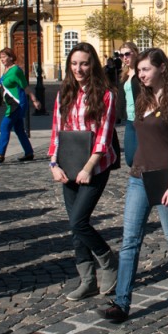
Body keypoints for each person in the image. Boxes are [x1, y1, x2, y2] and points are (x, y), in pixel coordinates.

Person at [97, 48, 168, 323]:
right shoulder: (141, 97)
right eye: (139, 70)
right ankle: (121, 303)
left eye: (146, 69)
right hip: (138, 177)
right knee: (130, 241)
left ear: (162, 68)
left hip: (165, 178)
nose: (141, 74)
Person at [48, 42, 117, 301]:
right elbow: (57, 131)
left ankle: (109, 262)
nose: (79, 69)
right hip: (68, 164)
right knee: (75, 226)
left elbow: (104, 136)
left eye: (84, 64)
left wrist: (89, 168)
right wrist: (54, 164)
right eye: (74, 63)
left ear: (93, 65)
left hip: (95, 165)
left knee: (78, 221)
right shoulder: (64, 93)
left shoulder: (106, 94)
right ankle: (87, 280)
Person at [0, 48, 41, 163]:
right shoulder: (6, 70)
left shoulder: (16, 70)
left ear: (11, 57)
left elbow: (25, 87)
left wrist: (34, 100)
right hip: (11, 104)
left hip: (17, 104)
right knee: (19, 129)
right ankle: (29, 152)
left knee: (4, 126)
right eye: (1, 57)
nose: (2, 59)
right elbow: (4, 82)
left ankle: (0, 155)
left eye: (4, 57)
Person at [117, 42, 140, 166]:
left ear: (135, 53)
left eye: (127, 54)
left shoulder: (141, 72)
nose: (124, 57)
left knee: (141, 155)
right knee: (130, 158)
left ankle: (142, 176)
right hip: (129, 119)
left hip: (142, 118)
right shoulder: (124, 74)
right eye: (121, 55)